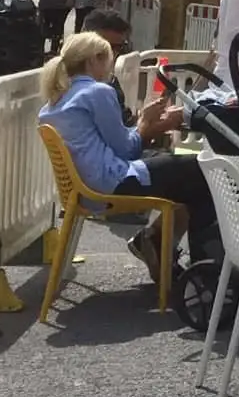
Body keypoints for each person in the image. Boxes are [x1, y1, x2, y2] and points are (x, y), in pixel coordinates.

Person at [37, 30, 211, 280]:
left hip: (85, 187)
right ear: (93, 61)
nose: (110, 66)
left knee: (183, 173)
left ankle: (157, 245)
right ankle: (201, 265)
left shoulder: (54, 103)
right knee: (204, 169)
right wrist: (147, 122)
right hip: (111, 183)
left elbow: (113, 142)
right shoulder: (98, 92)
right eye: (108, 58)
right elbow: (126, 150)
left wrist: (144, 124)